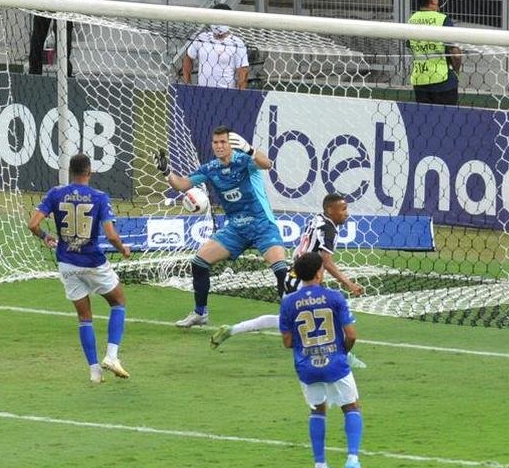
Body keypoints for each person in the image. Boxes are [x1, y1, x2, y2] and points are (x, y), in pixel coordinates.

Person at [157, 125, 290, 328]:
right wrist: (167, 172)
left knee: (281, 270)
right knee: (199, 262)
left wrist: (250, 149)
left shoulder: (245, 161)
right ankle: (200, 313)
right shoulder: (211, 169)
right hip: (236, 228)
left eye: (223, 142)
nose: (219, 146)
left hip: (261, 224)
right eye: (216, 142)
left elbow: (267, 164)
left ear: (231, 144)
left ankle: (290, 318)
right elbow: (182, 184)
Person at [210, 194, 367, 357]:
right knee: (327, 316)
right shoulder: (328, 229)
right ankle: (344, 356)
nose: (346, 213)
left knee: (286, 320)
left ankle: (231, 330)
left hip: (293, 274)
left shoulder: (318, 219)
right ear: (330, 210)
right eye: (343, 209)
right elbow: (326, 261)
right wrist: (349, 283)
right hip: (305, 279)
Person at [28, 152, 133, 383]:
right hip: (93, 262)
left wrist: (45, 236)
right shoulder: (99, 197)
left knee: (84, 317)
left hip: (67, 263)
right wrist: (123, 249)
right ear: (90, 172)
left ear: (70, 172)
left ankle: (94, 371)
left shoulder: (55, 194)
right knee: (118, 301)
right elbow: (110, 234)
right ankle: (112, 357)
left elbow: (33, 224)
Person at [279, 251, 366, 468]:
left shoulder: (288, 302)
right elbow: (351, 335)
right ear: (320, 273)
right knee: (351, 407)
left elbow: (287, 342)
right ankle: (353, 459)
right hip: (335, 362)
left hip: (307, 366)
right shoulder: (334, 297)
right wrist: (341, 352)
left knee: (318, 410)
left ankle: (320, 466)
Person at [406, 0, 461, 106]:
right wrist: (456, 71)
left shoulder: (411, 20)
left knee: (424, 117)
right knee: (447, 117)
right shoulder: (443, 20)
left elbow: (411, 46)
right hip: (443, 81)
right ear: (432, 0)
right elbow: (455, 54)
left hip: (420, 81)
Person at [181, 22, 249, 88]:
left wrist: (239, 93)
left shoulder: (237, 43)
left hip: (226, 92)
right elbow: (188, 58)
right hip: (202, 91)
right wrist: (188, 84)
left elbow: (243, 71)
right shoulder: (202, 37)